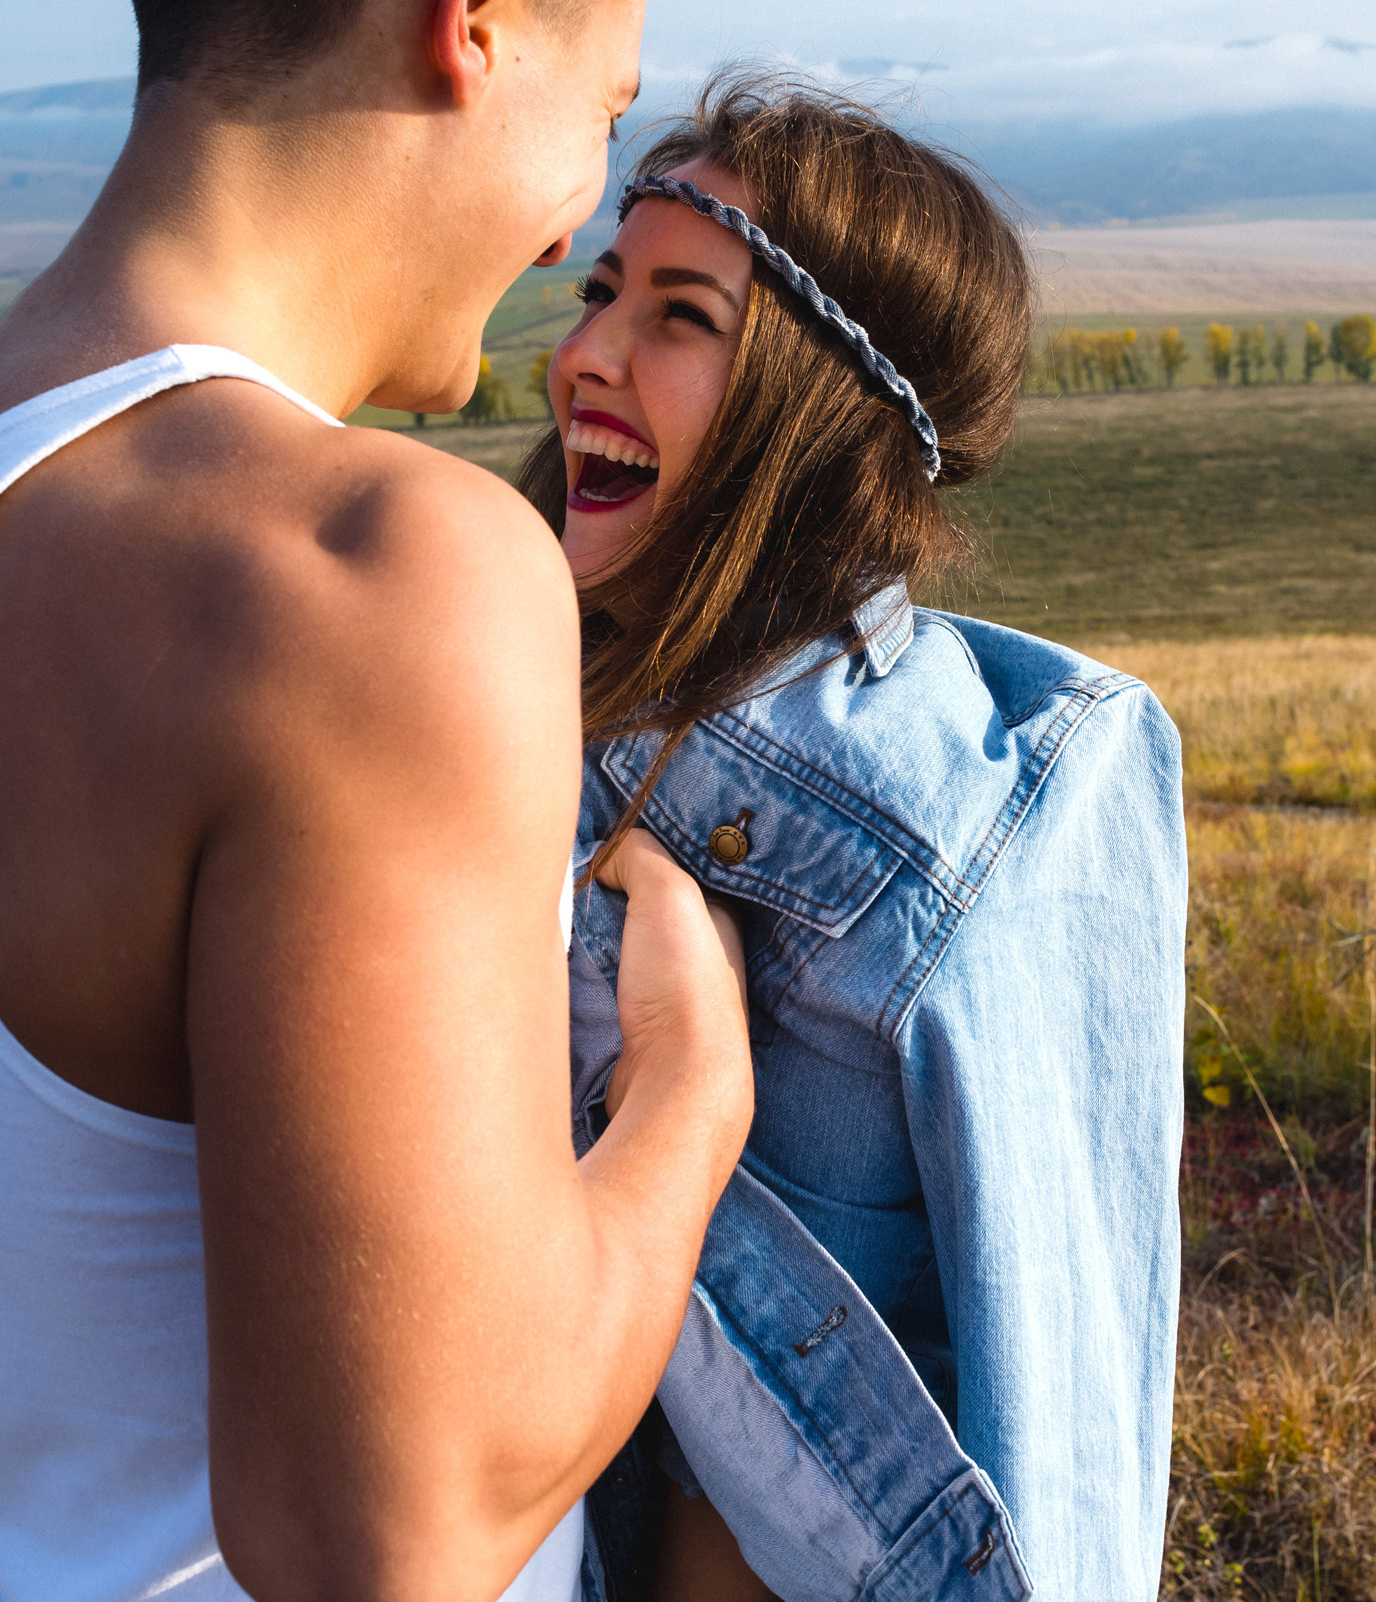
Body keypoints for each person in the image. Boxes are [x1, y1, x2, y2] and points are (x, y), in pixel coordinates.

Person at [0, 4, 758, 1600]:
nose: (574, 219)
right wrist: (693, 1094)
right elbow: (398, 1540)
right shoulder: (373, 568)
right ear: (476, 31)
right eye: (609, 106)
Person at [536, 78, 1190, 1601]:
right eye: (601, 291)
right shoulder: (506, 696)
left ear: (823, 403)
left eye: (683, 316)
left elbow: (1064, 1381)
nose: (585, 356)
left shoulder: (959, 818)